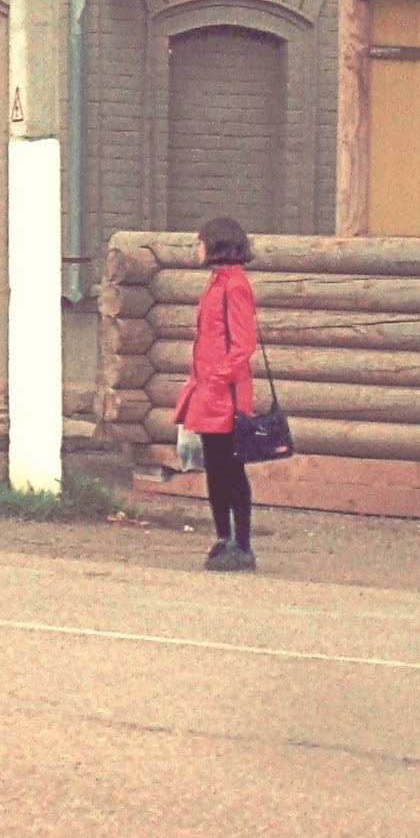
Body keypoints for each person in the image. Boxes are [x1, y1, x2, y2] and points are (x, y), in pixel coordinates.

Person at [171, 216, 259, 572]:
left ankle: (242, 544)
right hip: (209, 392)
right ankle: (223, 538)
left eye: (201, 241)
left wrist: (216, 379)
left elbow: (243, 344)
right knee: (215, 469)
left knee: (232, 469)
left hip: (225, 395)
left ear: (216, 244)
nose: (197, 248)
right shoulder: (216, 283)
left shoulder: (235, 285)